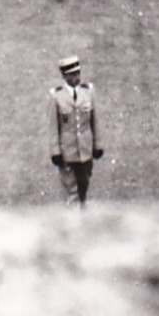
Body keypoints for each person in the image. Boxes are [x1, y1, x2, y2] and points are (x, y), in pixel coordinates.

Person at [48, 56, 103, 207]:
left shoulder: (88, 93)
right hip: (67, 152)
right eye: (72, 75)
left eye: (78, 73)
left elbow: (95, 121)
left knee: (84, 186)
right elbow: (53, 127)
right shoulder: (57, 97)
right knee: (71, 191)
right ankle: (73, 223)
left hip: (85, 151)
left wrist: (98, 145)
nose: (76, 78)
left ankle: (82, 218)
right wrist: (55, 151)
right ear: (64, 76)